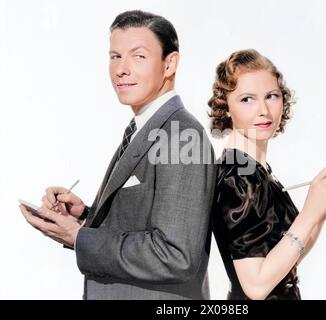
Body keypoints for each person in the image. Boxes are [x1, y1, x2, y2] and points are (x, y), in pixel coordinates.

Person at [19, 10, 217, 300]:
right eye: (115, 56)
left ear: (169, 63)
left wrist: (79, 238)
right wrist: (86, 217)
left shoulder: (181, 136)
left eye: (138, 56)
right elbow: (142, 223)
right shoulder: (146, 127)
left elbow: (176, 255)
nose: (121, 69)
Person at [208, 49, 326, 300]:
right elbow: (256, 286)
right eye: (247, 99)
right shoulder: (239, 177)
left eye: (272, 96)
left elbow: (287, 258)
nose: (263, 110)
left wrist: (322, 209)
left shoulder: (256, 171)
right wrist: (309, 212)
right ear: (226, 106)